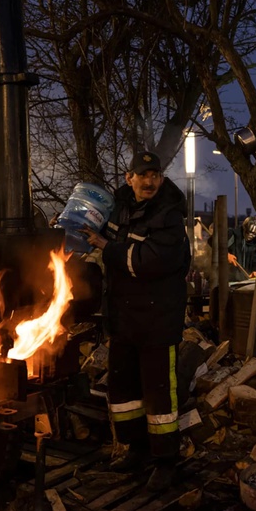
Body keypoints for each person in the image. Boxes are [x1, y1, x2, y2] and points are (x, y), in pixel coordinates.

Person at [82, 150, 190, 492]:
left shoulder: (170, 214)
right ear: (129, 177)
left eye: (155, 174)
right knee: (124, 390)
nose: (149, 181)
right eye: (142, 175)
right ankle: (135, 449)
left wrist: (105, 247)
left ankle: (165, 462)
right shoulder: (119, 206)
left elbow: (149, 262)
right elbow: (96, 230)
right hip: (124, 318)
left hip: (158, 320)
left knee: (159, 396)